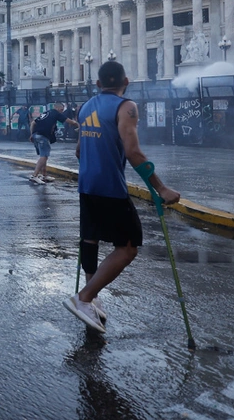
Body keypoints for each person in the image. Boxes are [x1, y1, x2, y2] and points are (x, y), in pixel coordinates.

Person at [64, 61, 181, 333]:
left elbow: (79, 150)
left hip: (87, 184)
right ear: (126, 82)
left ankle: (91, 296)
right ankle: (84, 298)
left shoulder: (85, 107)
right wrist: (161, 188)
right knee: (128, 247)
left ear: (97, 84)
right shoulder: (126, 107)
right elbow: (133, 152)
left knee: (90, 238)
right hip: (110, 186)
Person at [29, 102, 78, 184]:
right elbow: (71, 122)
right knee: (44, 156)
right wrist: (80, 126)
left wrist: (31, 134)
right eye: (61, 109)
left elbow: (33, 123)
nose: (62, 111)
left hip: (36, 135)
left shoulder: (46, 113)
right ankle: (34, 176)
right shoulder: (56, 113)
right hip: (43, 136)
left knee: (43, 156)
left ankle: (44, 175)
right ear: (57, 108)